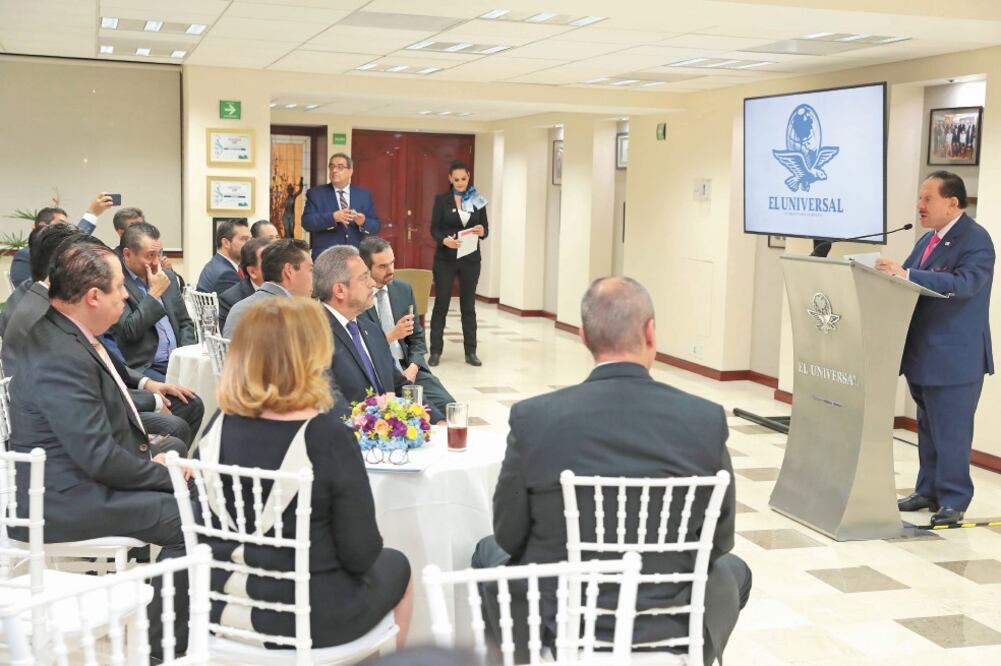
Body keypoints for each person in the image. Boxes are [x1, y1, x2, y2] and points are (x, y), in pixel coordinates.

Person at [473, 277, 751, 665]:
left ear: (584, 336)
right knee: (735, 571)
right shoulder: (703, 420)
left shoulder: (535, 418)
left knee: (486, 552)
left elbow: (509, 533)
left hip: (563, 612)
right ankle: (691, 653)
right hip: (665, 611)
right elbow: (719, 539)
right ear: (651, 331)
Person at [197, 297, 413, 649]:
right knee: (397, 565)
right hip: (307, 615)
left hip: (218, 602)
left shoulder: (215, 427)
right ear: (313, 356)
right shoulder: (326, 436)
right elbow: (361, 553)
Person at [875, 171, 994, 526]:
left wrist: (906, 275)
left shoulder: (975, 240)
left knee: (952, 430)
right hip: (922, 352)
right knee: (927, 427)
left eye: (928, 198)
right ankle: (928, 490)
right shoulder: (928, 239)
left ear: (953, 203)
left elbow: (965, 284)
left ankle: (954, 499)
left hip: (955, 356)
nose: (920, 205)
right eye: (920, 198)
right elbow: (908, 276)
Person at [313, 245, 444, 423]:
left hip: (388, 435)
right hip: (354, 439)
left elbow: (399, 384)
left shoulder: (371, 329)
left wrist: (436, 420)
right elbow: (330, 403)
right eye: (364, 278)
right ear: (339, 290)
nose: (372, 284)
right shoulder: (314, 335)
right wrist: (378, 427)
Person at [359, 236, 456, 415]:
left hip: (409, 368)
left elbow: (417, 339)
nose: (391, 270)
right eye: (382, 266)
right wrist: (391, 336)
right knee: (421, 415)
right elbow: (358, 345)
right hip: (379, 372)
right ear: (366, 267)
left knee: (449, 409)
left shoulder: (403, 289)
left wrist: (413, 367)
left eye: (392, 263)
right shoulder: (358, 297)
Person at [111, 222, 197, 381]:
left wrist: (186, 355)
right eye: (150, 255)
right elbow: (129, 331)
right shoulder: (117, 282)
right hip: (146, 366)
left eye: (160, 254)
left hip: (177, 361)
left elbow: (184, 322)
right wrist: (154, 294)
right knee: (189, 398)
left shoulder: (167, 276)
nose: (157, 262)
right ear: (128, 254)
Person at [428, 161, 488, 367]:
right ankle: (435, 350)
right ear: (450, 179)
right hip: (445, 259)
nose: (460, 183)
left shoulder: (477, 199)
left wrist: (481, 230)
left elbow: (485, 229)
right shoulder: (441, 200)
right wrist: (445, 240)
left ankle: (471, 351)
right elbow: (434, 229)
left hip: (470, 259)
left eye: (464, 179)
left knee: (468, 306)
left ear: (468, 177)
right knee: (441, 304)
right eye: (456, 180)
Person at [9, 193, 113, 286]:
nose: (65, 230)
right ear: (43, 227)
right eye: (61, 225)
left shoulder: (67, 252)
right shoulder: (24, 255)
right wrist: (92, 213)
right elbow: (25, 289)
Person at [222, 239, 313, 338]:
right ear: (289, 270)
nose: (314, 276)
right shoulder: (292, 315)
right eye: (310, 270)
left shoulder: (238, 308)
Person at [301, 153, 380, 256]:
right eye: (332, 166)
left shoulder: (363, 195)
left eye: (340, 167)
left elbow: (376, 226)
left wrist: (363, 222)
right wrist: (333, 217)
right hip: (326, 257)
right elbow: (307, 223)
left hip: (355, 256)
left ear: (350, 171)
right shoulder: (316, 194)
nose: (334, 170)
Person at [218, 236, 270, 332]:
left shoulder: (286, 291)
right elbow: (228, 342)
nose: (278, 266)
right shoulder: (231, 300)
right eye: (269, 262)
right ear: (252, 272)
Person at [195, 218, 251, 294]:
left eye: (250, 240)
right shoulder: (227, 274)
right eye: (244, 239)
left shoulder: (214, 264)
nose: (250, 244)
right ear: (226, 243)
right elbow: (243, 304)